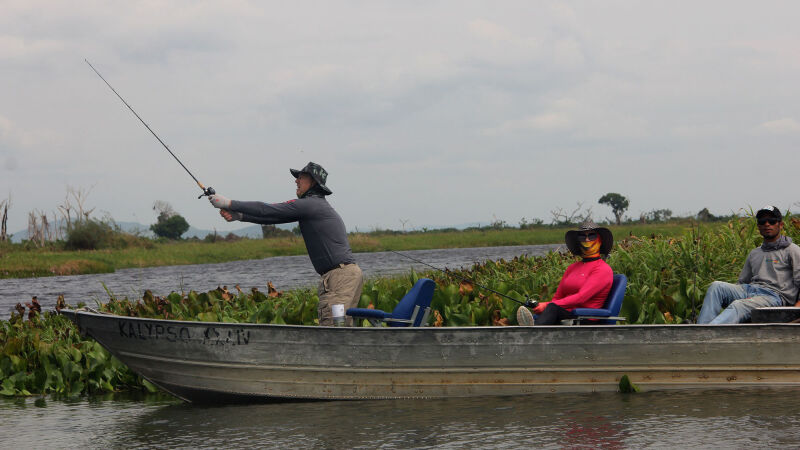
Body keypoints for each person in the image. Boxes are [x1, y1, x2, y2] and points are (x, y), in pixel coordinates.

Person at [207, 162, 363, 326]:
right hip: (345, 275)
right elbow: (273, 217)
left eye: (301, 177)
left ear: (313, 182)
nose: (296, 181)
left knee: (333, 328)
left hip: (339, 277)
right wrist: (240, 216)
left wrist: (228, 203)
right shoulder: (314, 206)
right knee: (341, 328)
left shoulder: (311, 204)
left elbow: (268, 209)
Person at [697, 206, 800, 324]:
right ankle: (701, 329)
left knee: (739, 305)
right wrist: (742, 295)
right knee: (716, 287)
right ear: (758, 226)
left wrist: (797, 306)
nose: (767, 224)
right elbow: (742, 282)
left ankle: (707, 332)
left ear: (780, 225)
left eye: (772, 221)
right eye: (762, 221)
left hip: (774, 297)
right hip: (750, 290)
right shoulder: (754, 253)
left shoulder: (792, 250)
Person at [524, 220, 614, 325]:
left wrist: (547, 305)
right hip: (567, 314)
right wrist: (542, 306)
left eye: (592, 236)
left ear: (600, 240)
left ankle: (533, 330)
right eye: (582, 237)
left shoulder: (603, 269)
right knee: (544, 312)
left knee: (552, 308)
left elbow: (581, 298)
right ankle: (530, 326)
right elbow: (557, 297)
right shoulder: (572, 268)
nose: (587, 239)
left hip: (586, 318)